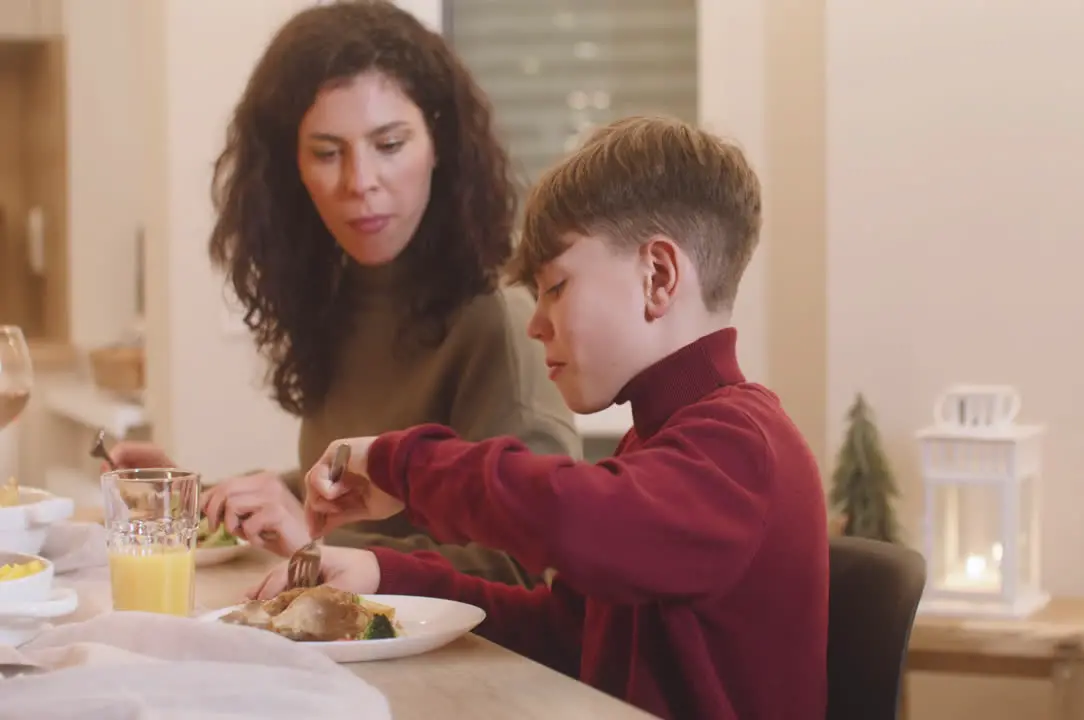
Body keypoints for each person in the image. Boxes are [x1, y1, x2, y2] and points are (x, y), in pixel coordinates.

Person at [252, 116, 830, 720]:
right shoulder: (660, 442)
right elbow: (567, 636)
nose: (535, 323)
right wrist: (382, 574)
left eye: (555, 287)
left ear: (657, 277)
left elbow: (576, 515)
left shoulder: (743, 446)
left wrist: (403, 465)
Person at [107, 0, 580, 588]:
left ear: (440, 145)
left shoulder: (499, 319)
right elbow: (339, 497)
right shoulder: (338, 294)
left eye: (389, 144)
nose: (360, 183)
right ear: (291, 171)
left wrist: (316, 547)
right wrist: (201, 499)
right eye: (328, 153)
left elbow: (533, 565)